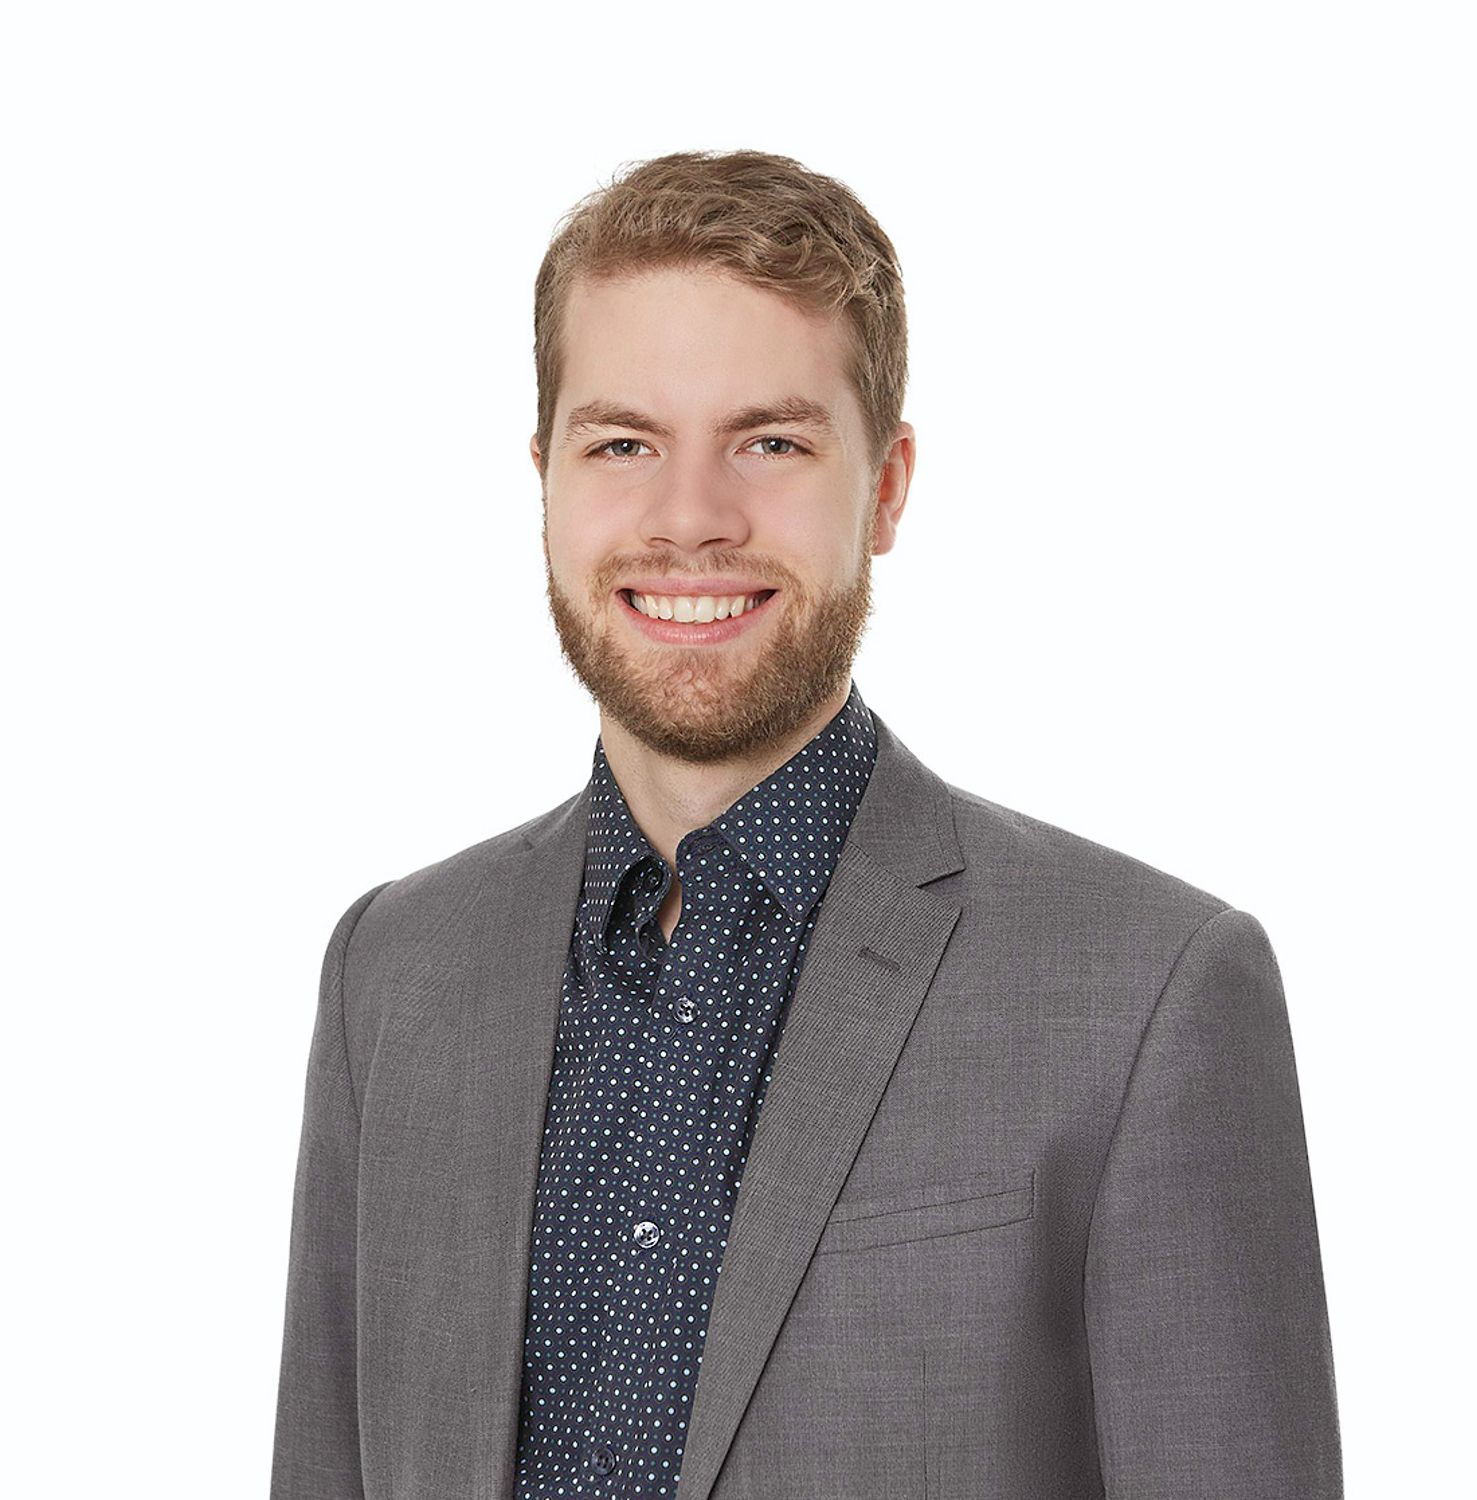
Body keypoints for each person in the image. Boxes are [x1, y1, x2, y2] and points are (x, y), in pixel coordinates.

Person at [270, 149, 1343, 1500]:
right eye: (623, 444)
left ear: (887, 487)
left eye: (770, 442)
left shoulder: (1147, 995)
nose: (690, 520)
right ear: (544, 477)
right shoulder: (394, 971)